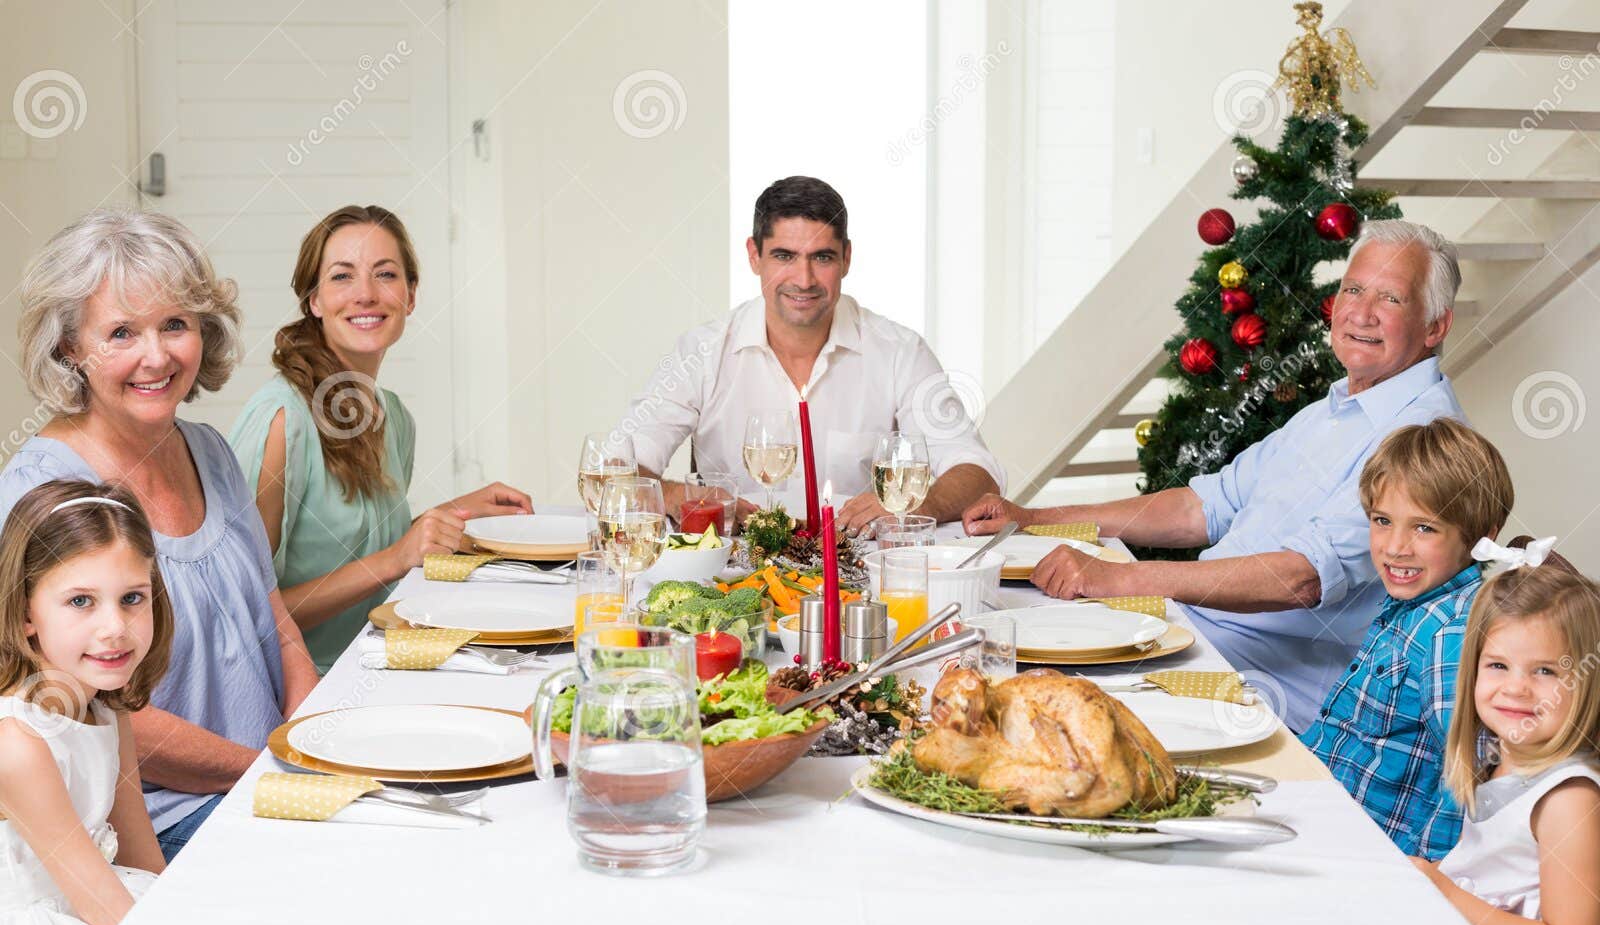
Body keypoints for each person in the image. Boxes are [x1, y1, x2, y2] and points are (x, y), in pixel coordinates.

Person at [963, 220, 1466, 730]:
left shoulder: (1422, 435)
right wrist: (1033, 517)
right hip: (1196, 634)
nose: (1361, 312)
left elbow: (1301, 578)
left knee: (1034, 701)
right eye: (1353, 289)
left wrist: (1120, 579)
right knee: (994, 642)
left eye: (1391, 299)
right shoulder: (1335, 407)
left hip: (1257, 682)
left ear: (1435, 326)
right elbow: (1201, 507)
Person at [3, 208, 318, 858]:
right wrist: (261, 768)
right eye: (121, 332)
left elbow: (274, 617)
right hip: (158, 823)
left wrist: (312, 741)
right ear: (69, 349)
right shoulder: (42, 490)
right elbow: (85, 703)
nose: (156, 355)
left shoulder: (210, 450)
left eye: (174, 324)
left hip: (265, 780)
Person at [229, 205, 532, 672]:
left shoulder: (395, 417)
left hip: (385, 662)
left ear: (410, 296)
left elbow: (364, 549)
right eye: (342, 277)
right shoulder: (280, 420)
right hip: (302, 690)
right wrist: (396, 558)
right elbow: (245, 616)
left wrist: (447, 515)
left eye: (385, 274)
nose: (366, 295)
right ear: (314, 301)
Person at [617, 175, 1003, 534]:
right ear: (754, 256)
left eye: (822, 258)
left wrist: (912, 505)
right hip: (733, 574)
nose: (804, 280)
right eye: (784, 256)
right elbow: (615, 467)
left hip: (859, 576)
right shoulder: (701, 352)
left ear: (846, 258)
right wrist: (677, 496)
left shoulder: (900, 351)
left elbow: (976, 472)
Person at [0, 481, 171, 925]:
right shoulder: (17, 743)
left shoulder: (106, 710)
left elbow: (143, 859)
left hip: (104, 900)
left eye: (132, 597)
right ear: (26, 615)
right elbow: (104, 912)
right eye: (80, 601)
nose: (114, 628)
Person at [1412, 561, 1600, 925]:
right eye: (1498, 666)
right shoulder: (1502, 761)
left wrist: (1444, 893)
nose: (1516, 689)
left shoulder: (1568, 799)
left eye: (1545, 671)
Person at [1299, 419, 1512, 858]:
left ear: (1481, 537)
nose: (1395, 547)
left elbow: (1465, 780)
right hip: (1322, 814)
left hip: (1368, 855)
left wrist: (1426, 882)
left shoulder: (1451, 632)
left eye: (1424, 528)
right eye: (1382, 520)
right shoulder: (1414, 601)